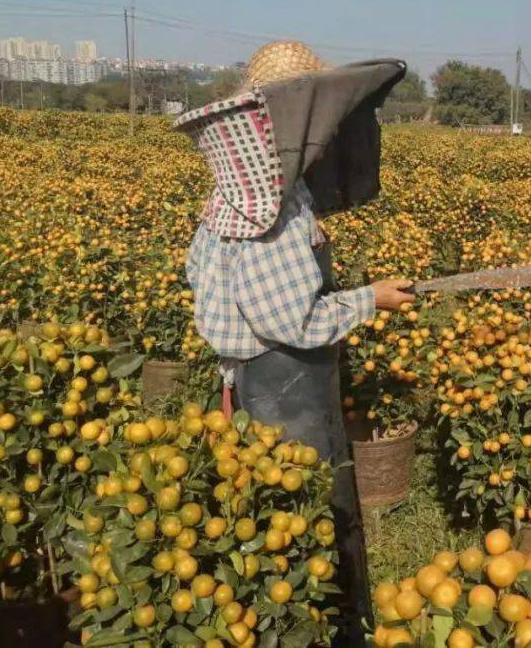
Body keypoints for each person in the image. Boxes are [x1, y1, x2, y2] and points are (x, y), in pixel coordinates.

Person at [175, 40, 412, 646]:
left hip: (261, 378)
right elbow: (290, 321)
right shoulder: (269, 217)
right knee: (307, 507)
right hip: (285, 384)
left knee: (281, 498)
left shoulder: (240, 201)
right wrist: (369, 299)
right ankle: (328, 625)